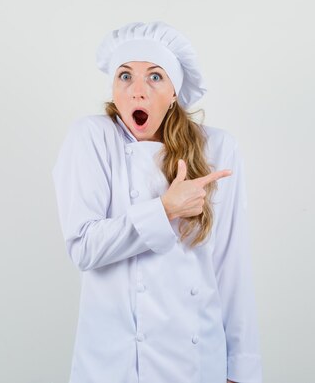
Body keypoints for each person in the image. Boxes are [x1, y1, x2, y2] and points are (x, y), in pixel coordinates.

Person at [51, 21, 262, 383]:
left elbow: (231, 266)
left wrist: (240, 370)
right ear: (113, 89)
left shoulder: (219, 148)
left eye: (154, 77)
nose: (137, 92)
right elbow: (84, 247)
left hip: (197, 363)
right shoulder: (91, 138)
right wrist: (165, 209)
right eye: (125, 76)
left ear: (175, 91)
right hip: (115, 365)